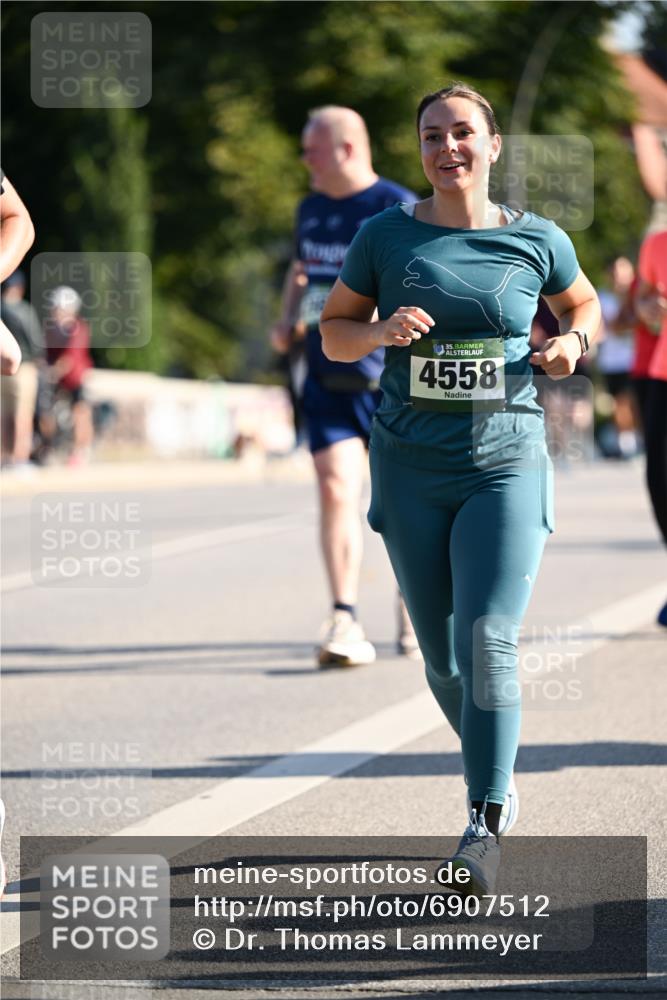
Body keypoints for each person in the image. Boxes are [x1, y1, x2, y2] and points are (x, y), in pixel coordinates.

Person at [320, 82, 601, 893]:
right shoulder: (386, 236)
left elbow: (580, 302)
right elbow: (334, 333)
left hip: (505, 458)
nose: (448, 148)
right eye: (432, 136)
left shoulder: (536, 238)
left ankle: (483, 815)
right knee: (442, 657)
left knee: (488, 640)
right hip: (409, 462)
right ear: (419, 150)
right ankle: (494, 761)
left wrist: (571, 342)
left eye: (462, 134)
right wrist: (375, 331)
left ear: (492, 144)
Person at [271, 105, 421, 666]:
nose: (305, 158)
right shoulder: (309, 208)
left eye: (313, 148)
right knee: (336, 487)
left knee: (401, 502)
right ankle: (345, 616)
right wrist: (287, 317)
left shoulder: (397, 207)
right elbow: (301, 267)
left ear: (347, 149)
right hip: (327, 373)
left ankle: (414, 603)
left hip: (390, 378)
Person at [635, 228, 667, 626]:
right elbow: (643, 296)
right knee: (658, 479)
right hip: (662, 373)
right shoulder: (657, 243)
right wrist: (649, 308)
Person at [44, 285, 94, 466]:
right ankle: (49, 449)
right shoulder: (53, 329)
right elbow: (48, 354)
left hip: (76, 377)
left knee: (80, 412)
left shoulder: (77, 328)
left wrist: (53, 371)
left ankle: (81, 450)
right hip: (61, 379)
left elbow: (70, 358)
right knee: (49, 413)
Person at [1, 270, 42, 467]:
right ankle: (19, 458)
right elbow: (36, 343)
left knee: (3, 416)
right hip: (23, 369)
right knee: (22, 415)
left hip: (1, 371)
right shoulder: (24, 310)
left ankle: (4, 457)